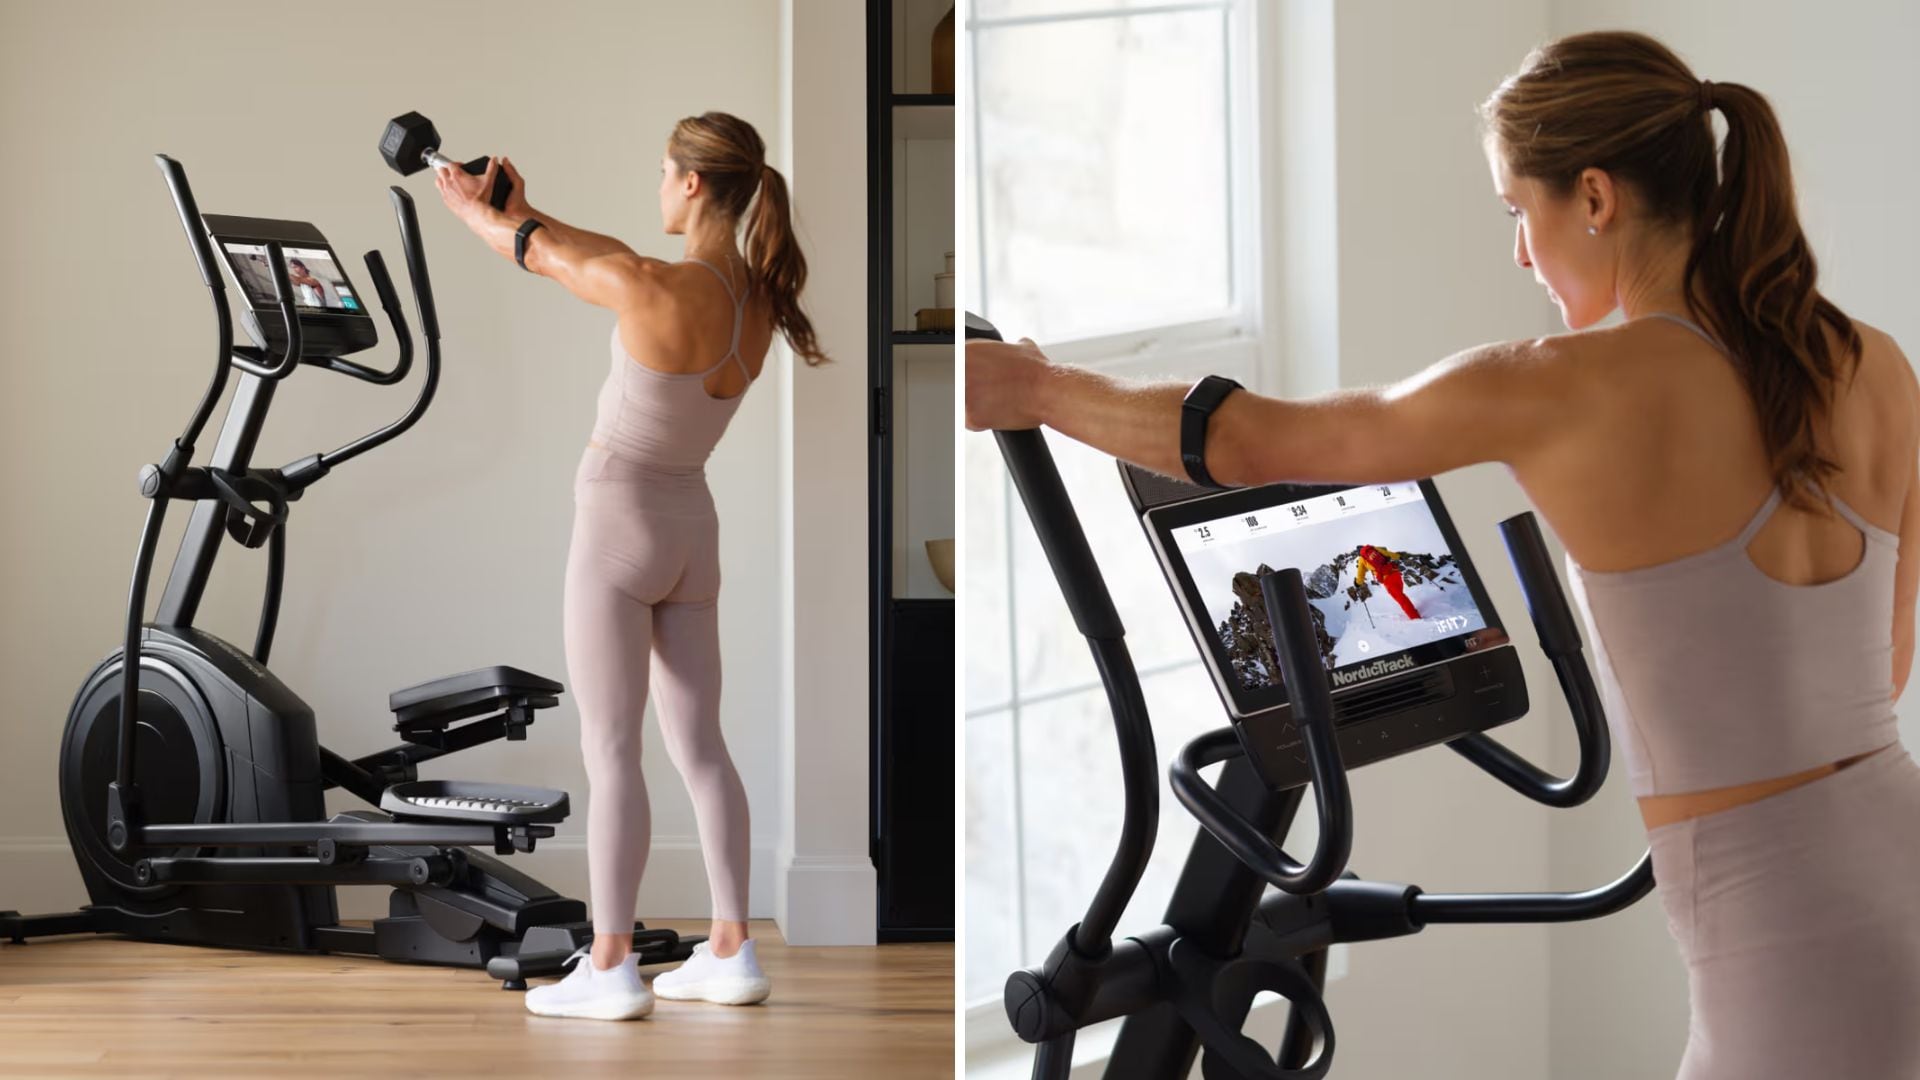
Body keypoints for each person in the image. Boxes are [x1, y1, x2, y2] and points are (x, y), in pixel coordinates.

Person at [967, 30, 1920, 1079]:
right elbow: (1878, 668)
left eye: (1520, 210)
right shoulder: (1872, 362)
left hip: (1781, 943)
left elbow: (1246, 443)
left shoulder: (1563, 384)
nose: (1519, 252)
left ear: (1594, 197)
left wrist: (1035, 391)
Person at [434, 111, 828, 1022]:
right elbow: (591, 250)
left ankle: (609, 966)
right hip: (694, 529)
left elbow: (543, 259)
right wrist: (529, 212)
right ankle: (730, 948)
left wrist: (472, 211)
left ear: (691, 184)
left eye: (662, 171)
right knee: (701, 746)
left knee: (612, 748)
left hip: (619, 520)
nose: (655, 186)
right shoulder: (757, 301)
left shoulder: (652, 286)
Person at [1354, 544, 1420, 620]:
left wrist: (1357, 583)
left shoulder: (1362, 559)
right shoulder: (1374, 548)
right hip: (1395, 572)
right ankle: (1412, 610)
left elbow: (1360, 575)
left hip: (1387, 578)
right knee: (1401, 595)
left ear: (1359, 553)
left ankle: (1415, 617)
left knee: (1400, 598)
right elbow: (1388, 553)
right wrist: (1398, 556)